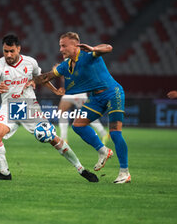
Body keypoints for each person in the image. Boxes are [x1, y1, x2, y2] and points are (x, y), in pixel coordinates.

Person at [0, 34, 98, 182]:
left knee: (52, 138)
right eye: (5, 51)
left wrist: (55, 91)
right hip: (9, 107)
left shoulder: (30, 62)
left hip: (29, 106)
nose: (8, 55)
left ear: (18, 49)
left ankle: (81, 169)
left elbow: (41, 78)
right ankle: (4, 173)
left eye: (11, 51)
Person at [33, 32, 130, 184]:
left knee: (115, 133)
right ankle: (103, 150)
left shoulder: (88, 54)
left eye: (64, 45)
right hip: (96, 98)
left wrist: (93, 49)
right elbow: (48, 76)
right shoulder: (66, 65)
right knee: (78, 125)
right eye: (60, 46)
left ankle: (124, 172)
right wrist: (29, 79)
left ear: (75, 45)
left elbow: (108, 47)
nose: (61, 49)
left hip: (113, 93)